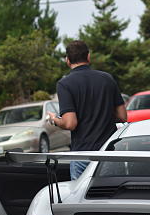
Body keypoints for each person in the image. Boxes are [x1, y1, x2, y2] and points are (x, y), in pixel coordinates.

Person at [48, 40, 127, 180]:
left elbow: (70, 123)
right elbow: (122, 116)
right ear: (88, 57)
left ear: (67, 60)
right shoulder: (107, 78)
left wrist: (54, 120)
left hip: (82, 155)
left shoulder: (64, 84)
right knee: (112, 196)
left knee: (82, 200)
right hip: (108, 152)